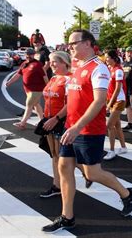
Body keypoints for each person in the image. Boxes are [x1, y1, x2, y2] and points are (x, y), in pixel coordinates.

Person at [42, 30, 132, 233]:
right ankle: (67, 217)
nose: (70, 47)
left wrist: (77, 127)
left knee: (92, 173)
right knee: (64, 167)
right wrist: (58, 118)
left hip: (88, 130)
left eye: (73, 43)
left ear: (87, 43)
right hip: (71, 127)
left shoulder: (98, 68)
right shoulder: (77, 67)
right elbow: (73, 100)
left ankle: (127, 194)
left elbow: (99, 100)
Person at [39, 51, 71, 198]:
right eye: (50, 62)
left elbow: (70, 104)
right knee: (54, 156)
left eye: (54, 62)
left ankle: (87, 173)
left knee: (62, 156)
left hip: (60, 121)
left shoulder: (69, 80)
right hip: (48, 119)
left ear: (64, 62)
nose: (51, 64)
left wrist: (56, 118)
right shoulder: (53, 78)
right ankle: (56, 185)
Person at [6, 48, 48, 129]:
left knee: (29, 104)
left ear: (34, 54)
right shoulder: (24, 64)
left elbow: (44, 76)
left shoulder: (38, 64)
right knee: (36, 105)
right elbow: (18, 75)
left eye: (31, 54)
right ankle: (42, 121)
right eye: (27, 54)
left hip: (37, 89)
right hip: (28, 90)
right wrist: (9, 82)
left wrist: (48, 86)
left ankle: (22, 123)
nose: (29, 56)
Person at [103, 50, 128, 160]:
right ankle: (123, 147)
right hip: (112, 100)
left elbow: (118, 89)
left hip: (119, 101)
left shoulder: (118, 70)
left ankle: (112, 150)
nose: (106, 59)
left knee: (109, 125)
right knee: (116, 125)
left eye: (107, 57)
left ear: (113, 58)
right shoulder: (110, 69)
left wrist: (109, 104)